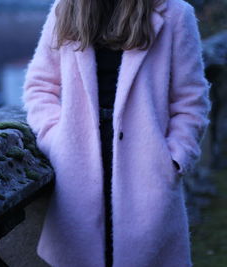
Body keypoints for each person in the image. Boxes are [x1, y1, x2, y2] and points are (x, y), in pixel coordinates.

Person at [21, 0, 212, 266]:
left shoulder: (175, 13)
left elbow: (191, 98)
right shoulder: (65, 8)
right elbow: (40, 86)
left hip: (147, 166)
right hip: (78, 163)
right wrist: (55, 139)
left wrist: (175, 157)